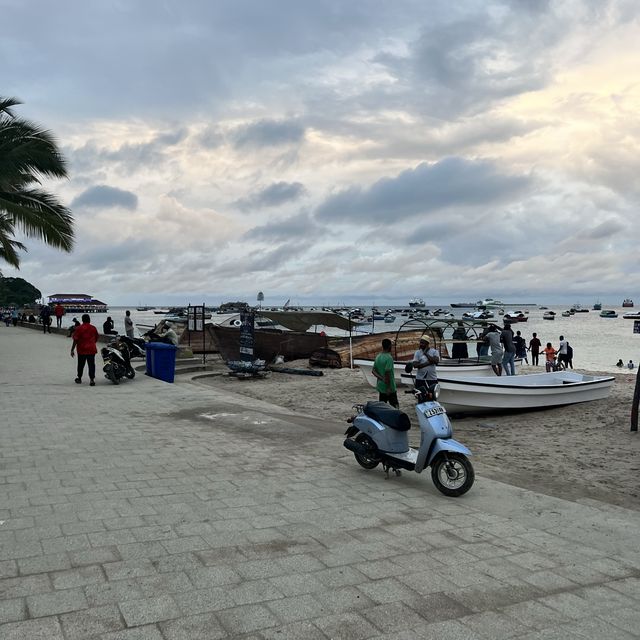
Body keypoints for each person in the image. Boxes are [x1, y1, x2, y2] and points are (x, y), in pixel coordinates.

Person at [70, 314, 99, 386]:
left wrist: (72, 349)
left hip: (82, 349)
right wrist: (92, 343)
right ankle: (92, 379)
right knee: (91, 365)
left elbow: (75, 340)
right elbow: (97, 338)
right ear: (89, 319)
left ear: (82, 320)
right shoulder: (93, 328)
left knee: (81, 364)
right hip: (91, 349)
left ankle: (79, 378)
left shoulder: (79, 328)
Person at [372, 338, 398, 408]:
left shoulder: (378, 356)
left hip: (381, 386)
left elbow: (373, 371)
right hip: (389, 387)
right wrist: (388, 387)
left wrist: (381, 378)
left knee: (382, 407)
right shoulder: (389, 358)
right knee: (395, 407)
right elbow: (387, 372)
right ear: (389, 346)